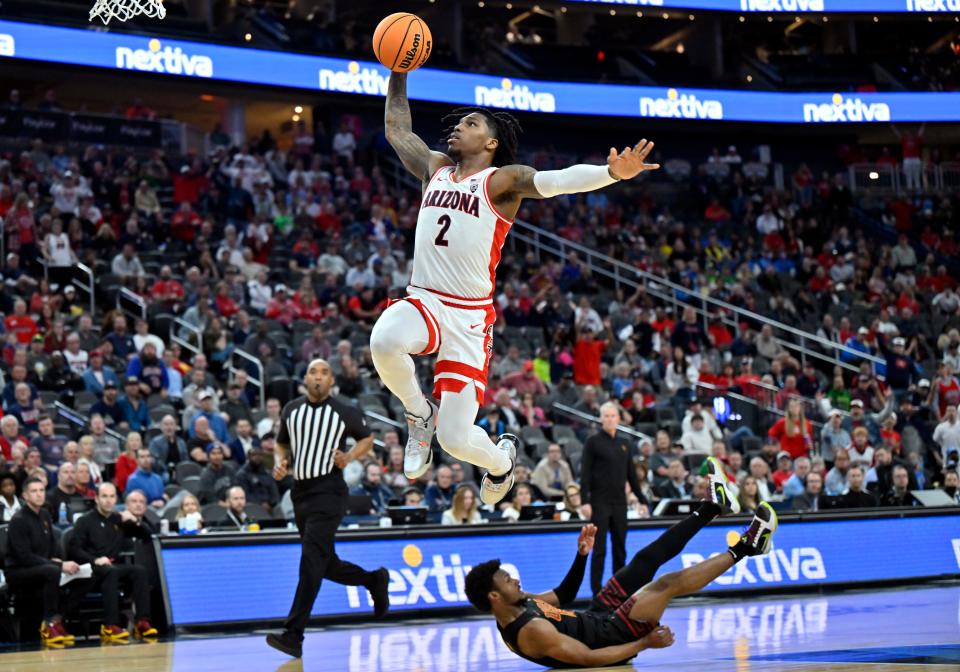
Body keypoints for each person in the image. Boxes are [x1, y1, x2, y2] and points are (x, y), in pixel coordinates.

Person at [371, 72, 659, 509]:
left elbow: (559, 181)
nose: (457, 127)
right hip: (426, 299)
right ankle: (418, 411)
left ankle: (502, 463)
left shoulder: (501, 182)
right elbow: (397, 129)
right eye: (458, 123)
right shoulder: (435, 169)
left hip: (469, 318)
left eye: (470, 124)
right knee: (385, 340)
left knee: (454, 440)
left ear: (490, 143)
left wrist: (610, 174)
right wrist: (398, 71)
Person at [464, 479, 776, 668]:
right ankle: (749, 546)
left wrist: (581, 555)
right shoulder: (530, 632)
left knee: (644, 560)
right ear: (494, 596)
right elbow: (588, 658)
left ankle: (711, 507)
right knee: (665, 585)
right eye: (507, 580)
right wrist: (645, 644)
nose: (516, 580)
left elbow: (564, 595)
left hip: (598, 615)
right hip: (611, 636)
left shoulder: (518, 603)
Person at [265, 359, 389, 659]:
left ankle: (293, 634)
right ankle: (374, 580)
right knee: (324, 562)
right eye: (313, 372)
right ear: (305, 378)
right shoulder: (291, 409)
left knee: (310, 561)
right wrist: (279, 463)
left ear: (331, 380)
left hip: (329, 492)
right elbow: (282, 444)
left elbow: (367, 439)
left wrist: (349, 456)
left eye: (324, 373)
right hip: (300, 493)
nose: (318, 377)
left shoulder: (344, 409)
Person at [582, 403, 662, 594]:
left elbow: (631, 475)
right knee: (599, 550)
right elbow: (585, 473)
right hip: (599, 502)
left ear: (618, 418)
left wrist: (642, 499)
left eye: (613, 416)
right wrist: (585, 501)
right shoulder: (592, 442)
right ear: (601, 419)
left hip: (620, 502)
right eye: (606, 416)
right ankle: (596, 592)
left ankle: (618, 591)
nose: (609, 419)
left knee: (620, 549)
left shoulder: (625, 443)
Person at [68, 482, 157, 641]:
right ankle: (110, 625)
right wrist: (95, 559)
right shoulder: (85, 521)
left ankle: (142, 621)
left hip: (112, 567)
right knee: (111, 571)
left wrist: (135, 521)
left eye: (111, 496)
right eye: (104, 496)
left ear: (116, 499)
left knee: (139, 571)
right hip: (91, 569)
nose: (108, 501)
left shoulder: (119, 519)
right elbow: (74, 550)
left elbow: (146, 535)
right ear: (96, 499)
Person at [4, 477, 83, 645]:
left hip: (40, 567)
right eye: (34, 491)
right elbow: (23, 557)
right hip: (17, 571)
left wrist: (57, 560)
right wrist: (58, 564)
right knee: (53, 571)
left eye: (41, 490)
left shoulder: (45, 514)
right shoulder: (19, 520)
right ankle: (49, 625)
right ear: (25, 495)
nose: (39, 495)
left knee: (81, 576)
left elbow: (53, 547)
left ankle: (58, 620)